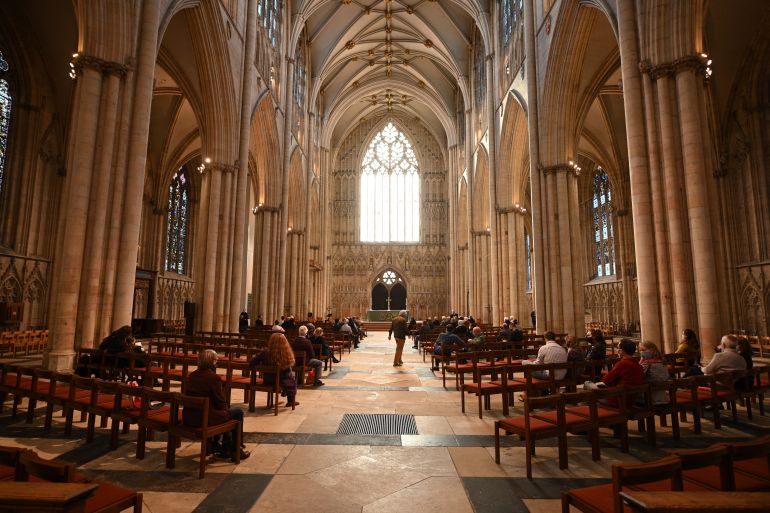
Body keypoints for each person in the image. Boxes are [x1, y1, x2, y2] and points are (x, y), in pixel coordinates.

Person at [184, 349, 249, 462]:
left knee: (224, 413)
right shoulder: (213, 377)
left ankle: (221, 447)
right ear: (212, 362)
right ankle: (235, 450)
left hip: (190, 417)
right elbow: (220, 402)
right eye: (216, 361)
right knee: (237, 412)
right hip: (204, 419)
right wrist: (226, 412)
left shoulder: (192, 375)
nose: (217, 363)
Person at [587, 338, 646, 408]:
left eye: (618, 348)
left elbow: (605, 380)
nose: (617, 350)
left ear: (621, 351)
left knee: (587, 384)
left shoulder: (622, 363)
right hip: (631, 400)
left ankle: (590, 415)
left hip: (617, 400)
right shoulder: (639, 365)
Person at [251, 332, 299, 407]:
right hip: (282, 381)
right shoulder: (286, 354)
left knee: (288, 375)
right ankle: (291, 400)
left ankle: (287, 395)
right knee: (290, 377)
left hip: (268, 379)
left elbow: (252, 362)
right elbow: (288, 369)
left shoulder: (265, 352)